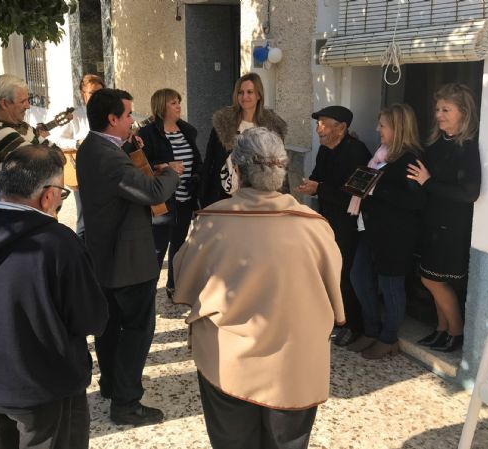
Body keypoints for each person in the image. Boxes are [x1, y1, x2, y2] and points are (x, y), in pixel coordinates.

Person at [173, 127, 344, 449]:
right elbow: (334, 295)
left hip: (230, 361)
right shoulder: (314, 225)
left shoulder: (212, 221)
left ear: (236, 171)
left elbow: (183, 285)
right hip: (296, 362)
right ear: (281, 172)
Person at [0, 145, 108, 449]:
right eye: (61, 191)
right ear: (48, 195)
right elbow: (91, 319)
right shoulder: (58, 244)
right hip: (45, 387)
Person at [76, 88, 181, 426]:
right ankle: (127, 404)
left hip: (106, 255)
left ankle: (112, 385)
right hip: (126, 259)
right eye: (127, 116)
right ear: (111, 119)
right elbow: (152, 191)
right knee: (136, 330)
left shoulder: (93, 146)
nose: (132, 121)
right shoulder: (107, 156)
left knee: (110, 328)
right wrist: (172, 172)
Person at [347, 104, 426, 359]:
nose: (377, 129)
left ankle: (388, 338)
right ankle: (371, 330)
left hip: (395, 237)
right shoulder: (382, 155)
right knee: (359, 277)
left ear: (398, 128)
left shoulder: (410, 160)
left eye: (382, 125)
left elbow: (415, 202)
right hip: (371, 230)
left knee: (391, 287)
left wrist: (375, 189)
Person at [407, 84, 481, 352]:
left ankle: (456, 332)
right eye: (438, 109)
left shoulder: (468, 147)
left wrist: (428, 183)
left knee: (433, 279)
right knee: (432, 277)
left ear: (463, 112)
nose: (439, 114)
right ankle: (441, 329)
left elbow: (470, 193)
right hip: (433, 221)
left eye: (446, 109)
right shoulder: (438, 143)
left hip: (452, 225)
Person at [297, 105, 371, 347]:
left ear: (341, 128)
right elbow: (319, 176)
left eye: (324, 123)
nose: (318, 129)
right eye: (318, 123)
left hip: (349, 225)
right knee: (327, 273)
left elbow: (353, 196)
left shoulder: (356, 152)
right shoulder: (325, 150)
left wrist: (319, 189)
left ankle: (353, 325)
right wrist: (311, 185)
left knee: (346, 274)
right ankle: (335, 320)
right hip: (326, 221)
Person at [138, 88, 202, 300]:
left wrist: (196, 180)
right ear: (162, 106)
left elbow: (197, 162)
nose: (178, 106)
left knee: (179, 245)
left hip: (185, 198)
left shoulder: (187, 131)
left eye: (178, 102)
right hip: (162, 202)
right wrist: (166, 166)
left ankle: (174, 286)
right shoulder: (147, 134)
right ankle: (148, 291)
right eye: (173, 102)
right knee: (157, 249)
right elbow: (141, 166)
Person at [200, 72, 287, 207]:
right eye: (240, 92)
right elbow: (209, 160)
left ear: (258, 95)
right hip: (225, 195)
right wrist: (202, 194)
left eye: (250, 92)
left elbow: (279, 163)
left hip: (260, 197)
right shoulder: (224, 122)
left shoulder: (273, 127)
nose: (244, 97)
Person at [51, 74, 105, 240]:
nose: (96, 97)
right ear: (83, 94)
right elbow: (55, 139)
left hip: (104, 170)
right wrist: (77, 143)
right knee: (84, 218)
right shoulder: (75, 116)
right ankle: (81, 255)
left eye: (100, 93)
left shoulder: (108, 113)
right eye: (92, 93)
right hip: (82, 172)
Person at [0, 74, 58, 175]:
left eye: (28, 100)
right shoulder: (0, 133)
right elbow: (49, 164)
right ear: (4, 103)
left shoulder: (22, 126)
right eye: (23, 101)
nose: (28, 106)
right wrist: (42, 147)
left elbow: (60, 155)